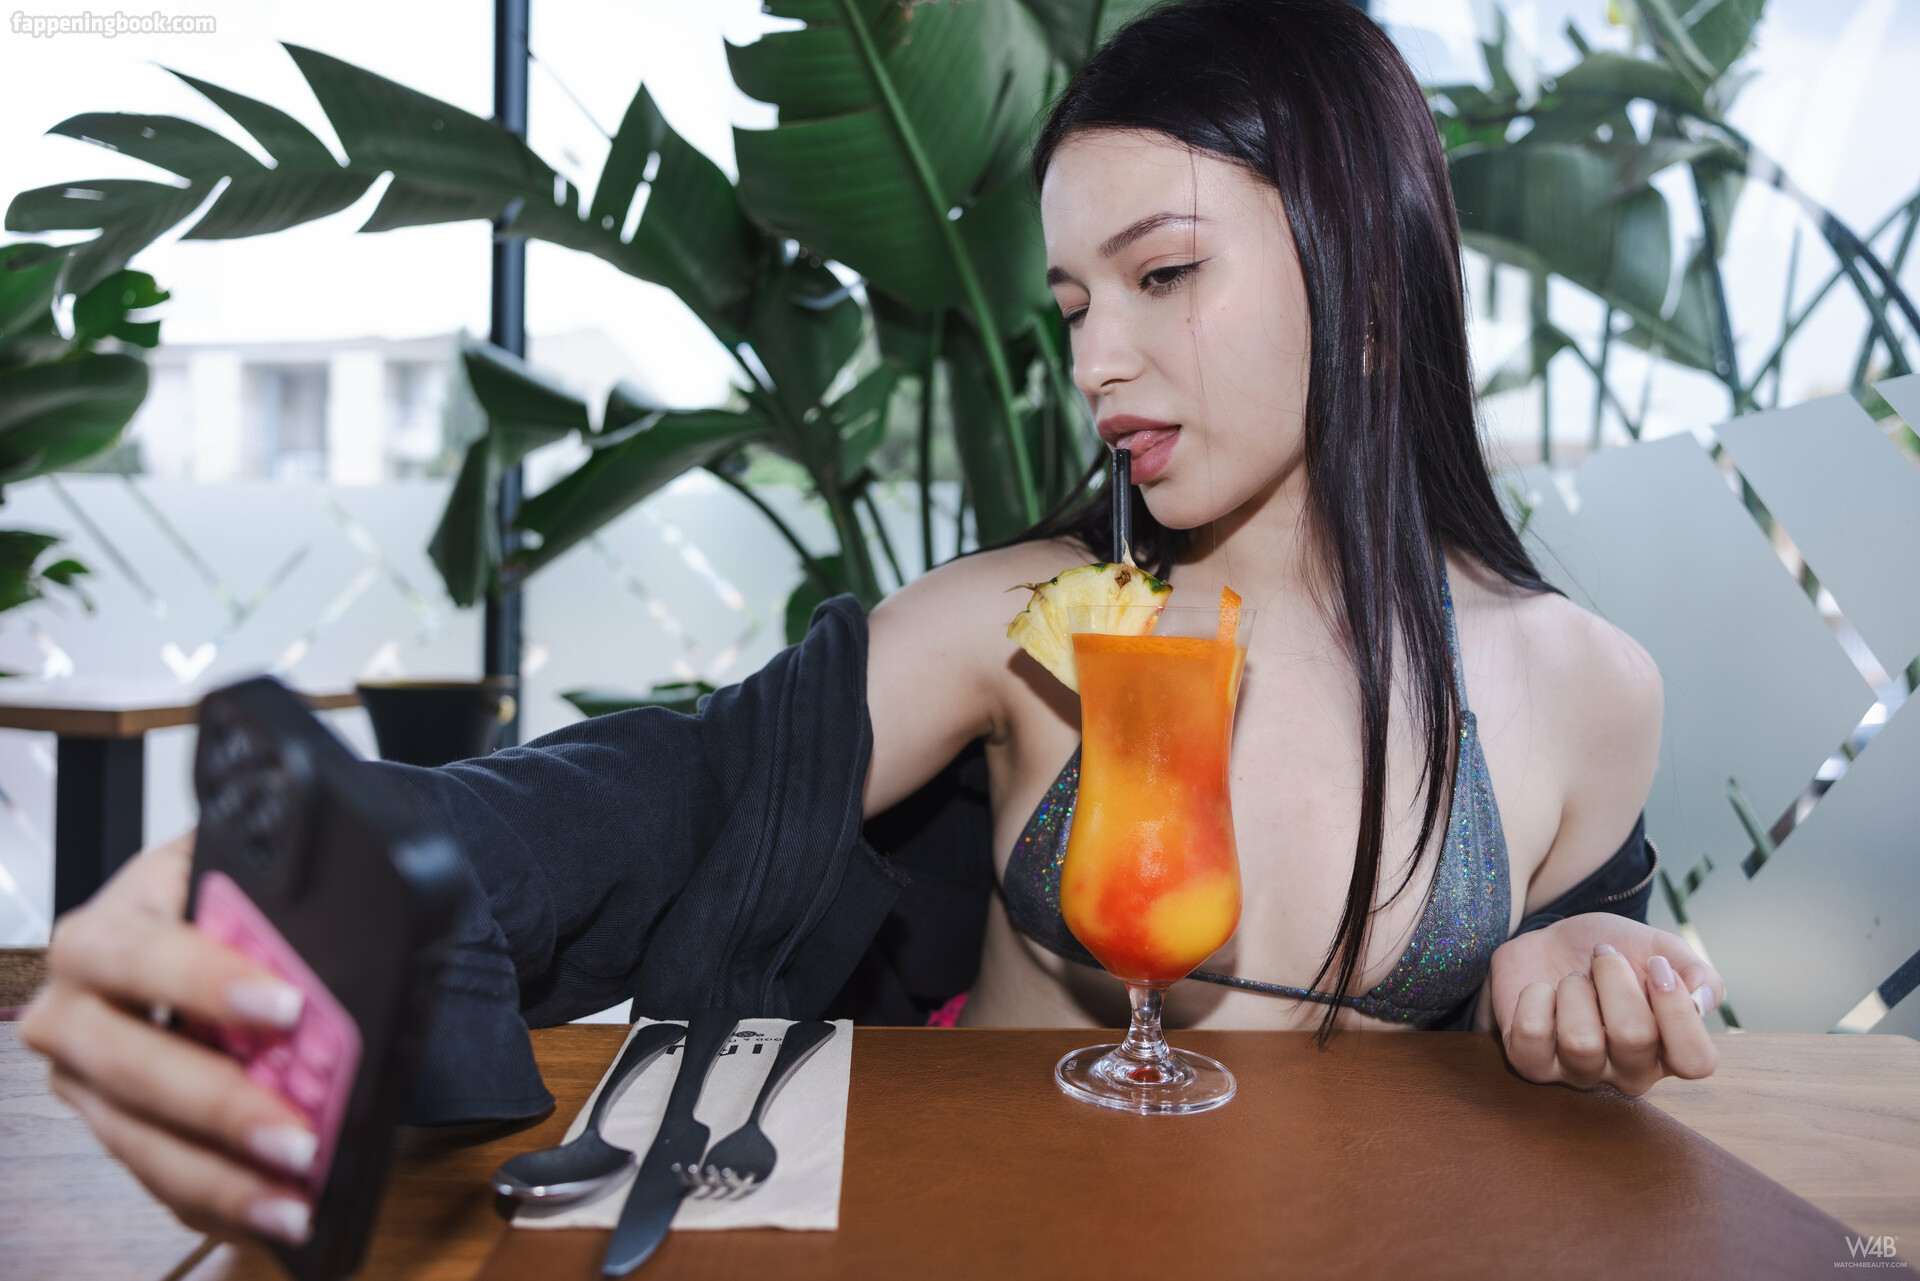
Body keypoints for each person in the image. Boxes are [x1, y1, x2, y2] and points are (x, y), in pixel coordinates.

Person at [20, 0, 1724, 1250]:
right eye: (1073, 303)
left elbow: (1573, 1029)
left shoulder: (1586, 689)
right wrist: (317, 872)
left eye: (1163, 275)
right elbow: (675, 793)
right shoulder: (1028, 622)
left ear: (1365, 272)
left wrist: (1561, 974)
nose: (1096, 360)